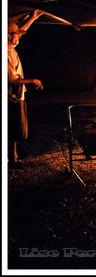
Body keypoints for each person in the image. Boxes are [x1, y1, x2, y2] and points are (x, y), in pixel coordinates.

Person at [8, 10, 45, 167]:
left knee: (15, 130)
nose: (20, 36)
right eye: (17, 34)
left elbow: (21, 30)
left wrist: (33, 16)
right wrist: (33, 81)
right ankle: (12, 159)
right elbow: (12, 79)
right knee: (13, 129)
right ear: (9, 36)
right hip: (11, 98)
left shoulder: (9, 48)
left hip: (16, 97)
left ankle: (14, 156)